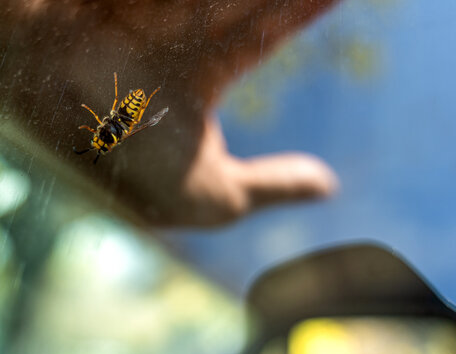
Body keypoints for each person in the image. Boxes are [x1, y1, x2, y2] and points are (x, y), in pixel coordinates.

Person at [0, 0, 339, 226]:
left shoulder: (114, 126)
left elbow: (116, 120)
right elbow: (118, 121)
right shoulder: (116, 127)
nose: (98, 137)